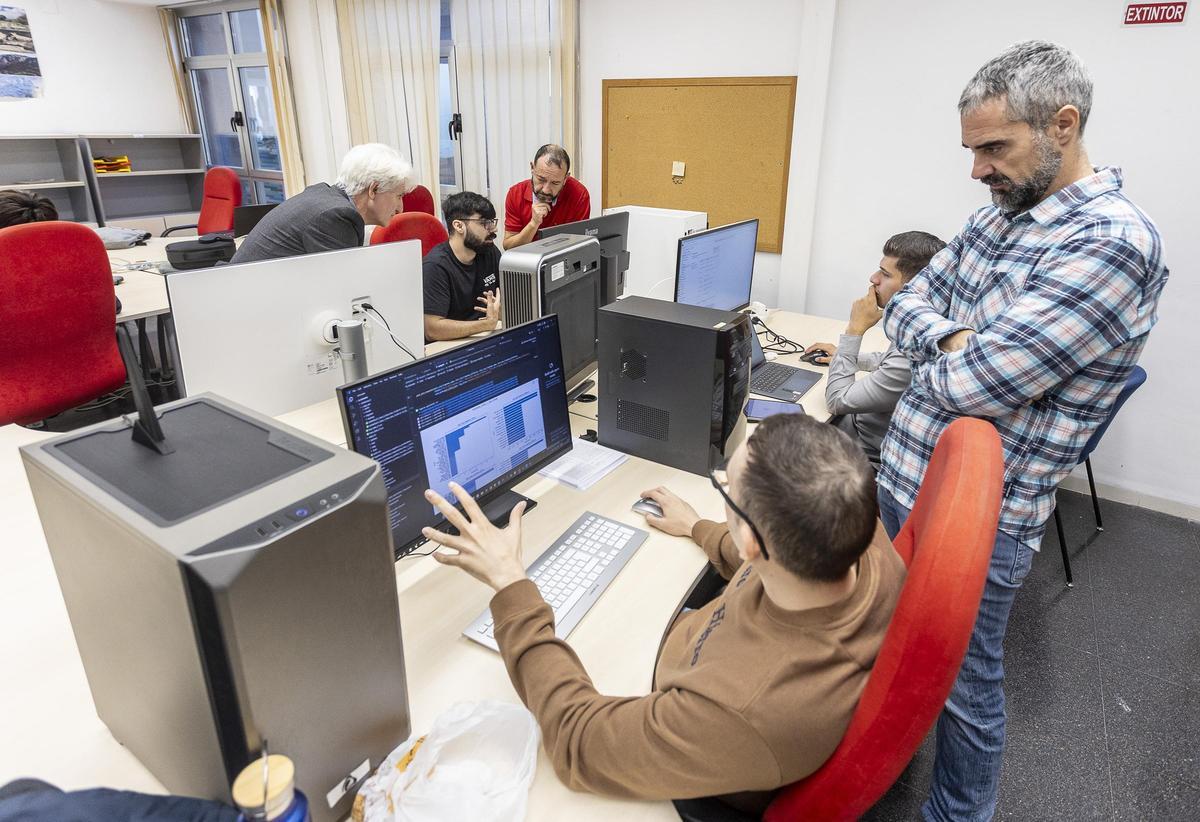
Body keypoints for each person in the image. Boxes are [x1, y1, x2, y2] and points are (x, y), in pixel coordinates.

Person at [875, 41, 1168, 821]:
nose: (977, 170)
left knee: (965, 692)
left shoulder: (1111, 243)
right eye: (972, 150)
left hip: (979, 521)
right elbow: (896, 306)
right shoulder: (996, 218)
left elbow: (983, 384)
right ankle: (881, 765)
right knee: (893, 652)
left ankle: (957, 814)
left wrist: (941, 346)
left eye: (994, 148)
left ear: (1062, 125)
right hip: (903, 478)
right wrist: (952, 337)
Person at [420, 414, 905, 812]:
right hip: (702, 675)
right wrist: (700, 526)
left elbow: (579, 740)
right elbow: (774, 555)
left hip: (692, 770)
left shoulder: (748, 711)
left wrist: (510, 584)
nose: (720, 487)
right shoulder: (855, 531)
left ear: (755, 542)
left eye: (726, 490)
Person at [803, 231, 946, 465]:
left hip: (863, 447)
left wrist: (854, 330)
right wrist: (845, 355)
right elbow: (889, 360)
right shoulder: (928, 320)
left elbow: (837, 400)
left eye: (885, 274)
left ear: (917, 286)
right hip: (863, 429)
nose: (874, 278)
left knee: (780, 425)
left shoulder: (919, 344)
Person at [231, 143, 414, 264]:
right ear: (373, 190)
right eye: (399, 196)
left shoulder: (326, 198)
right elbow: (341, 289)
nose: (401, 208)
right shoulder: (335, 216)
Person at [423, 191, 503, 342]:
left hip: (486, 336)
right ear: (459, 226)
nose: (494, 229)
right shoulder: (435, 266)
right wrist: (486, 324)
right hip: (450, 345)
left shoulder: (489, 251)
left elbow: (503, 302)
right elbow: (432, 330)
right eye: (484, 222)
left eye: (492, 221)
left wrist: (499, 314)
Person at [502, 144, 591, 249]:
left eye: (555, 183)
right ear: (532, 168)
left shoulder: (579, 194)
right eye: (541, 179)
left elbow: (579, 245)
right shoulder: (516, 194)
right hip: (527, 260)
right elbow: (508, 247)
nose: (546, 190)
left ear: (565, 178)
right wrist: (533, 224)